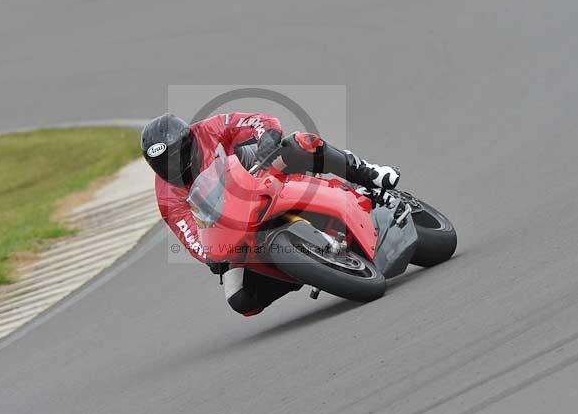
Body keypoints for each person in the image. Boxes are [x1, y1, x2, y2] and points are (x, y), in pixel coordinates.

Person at [141, 112, 400, 317]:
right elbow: (189, 235)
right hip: (233, 224)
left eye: (174, 156)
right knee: (241, 300)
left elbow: (258, 121)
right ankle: (304, 269)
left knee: (300, 144)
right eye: (162, 164)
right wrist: (210, 256)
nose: (171, 167)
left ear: (188, 141)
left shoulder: (209, 128)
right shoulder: (166, 195)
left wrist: (267, 138)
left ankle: (368, 174)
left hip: (258, 173)